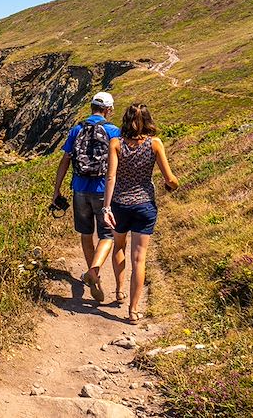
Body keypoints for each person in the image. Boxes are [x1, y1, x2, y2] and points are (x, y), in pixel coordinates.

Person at [83, 103, 179, 324]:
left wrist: (106, 207)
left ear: (125, 120)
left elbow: (111, 177)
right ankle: (133, 310)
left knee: (118, 246)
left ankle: (118, 289)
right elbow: (169, 179)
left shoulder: (116, 143)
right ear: (148, 120)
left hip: (119, 205)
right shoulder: (155, 144)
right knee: (139, 258)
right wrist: (174, 185)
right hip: (144, 205)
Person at [53, 91, 121, 302]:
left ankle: (96, 278)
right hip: (104, 191)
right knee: (108, 235)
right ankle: (94, 271)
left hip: (79, 189)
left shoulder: (77, 129)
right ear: (108, 110)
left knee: (85, 233)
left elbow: (65, 160)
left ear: (91, 107)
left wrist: (57, 190)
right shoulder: (113, 131)